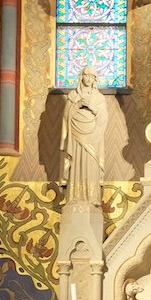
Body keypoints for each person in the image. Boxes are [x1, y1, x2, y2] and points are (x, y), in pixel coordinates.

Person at [59, 66, 107, 204]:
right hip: (75, 133)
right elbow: (66, 116)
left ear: (95, 80)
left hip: (93, 135)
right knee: (76, 163)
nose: (89, 79)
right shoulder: (73, 95)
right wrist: (77, 105)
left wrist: (93, 108)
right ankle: (74, 197)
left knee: (91, 164)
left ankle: (92, 197)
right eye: (86, 75)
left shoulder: (99, 97)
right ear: (82, 76)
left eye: (92, 76)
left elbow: (104, 118)